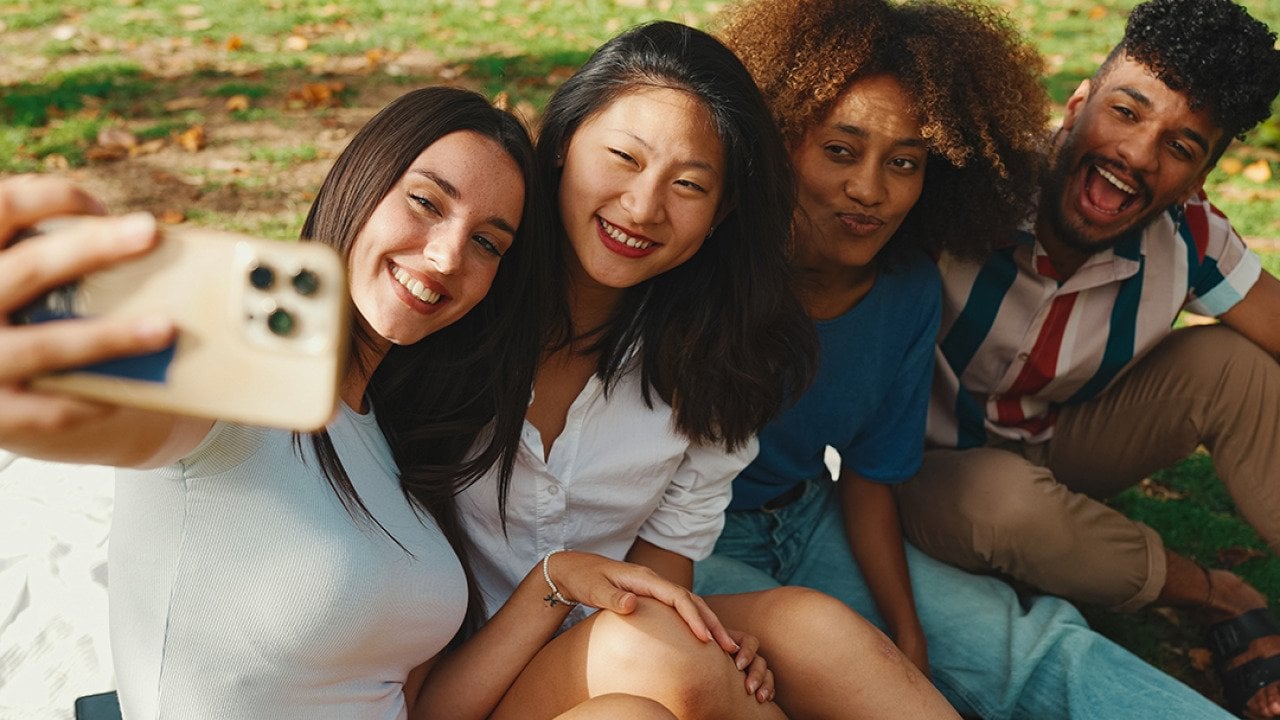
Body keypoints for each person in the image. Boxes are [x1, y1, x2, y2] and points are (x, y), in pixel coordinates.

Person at [0, 87, 746, 720]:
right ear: (360, 178)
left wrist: (552, 580)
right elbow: (110, 422)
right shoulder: (229, 393)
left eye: (489, 243)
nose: (448, 255)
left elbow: (419, 705)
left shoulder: (400, 441)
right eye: (426, 202)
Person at [693, 0, 1246, 718]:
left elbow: (867, 479)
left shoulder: (907, 288)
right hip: (681, 548)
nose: (869, 189)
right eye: (840, 150)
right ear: (785, 137)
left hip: (806, 520)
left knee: (1031, 646)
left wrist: (910, 630)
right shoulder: (704, 259)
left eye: (904, 163)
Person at [451, 21, 961, 720]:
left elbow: (660, 580)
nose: (643, 206)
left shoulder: (714, 357)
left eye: (688, 184)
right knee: (655, 669)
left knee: (809, 626)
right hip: (455, 674)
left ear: (722, 214)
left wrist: (702, 641)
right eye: (623, 158)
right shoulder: (460, 294)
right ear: (565, 143)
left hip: (592, 642)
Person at [886, 0, 1280, 716]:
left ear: (1195, 181)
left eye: (1181, 146)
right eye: (1126, 112)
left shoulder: (1189, 236)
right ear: (1075, 103)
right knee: (1003, 503)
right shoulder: (962, 184)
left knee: (1239, 365)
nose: (1137, 154)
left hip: (1054, 445)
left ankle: (1068, 543)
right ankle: (1217, 595)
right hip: (917, 468)